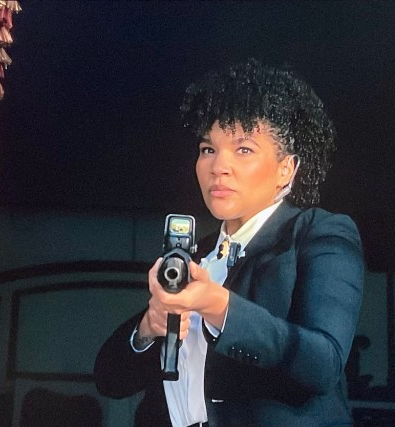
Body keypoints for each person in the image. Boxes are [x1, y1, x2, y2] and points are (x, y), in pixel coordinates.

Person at [94, 59, 365, 427]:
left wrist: (218, 306)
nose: (218, 166)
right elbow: (109, 379)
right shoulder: (196, 257)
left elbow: (322, 363)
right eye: (208, 149)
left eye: (244, 150)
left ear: (286, 169)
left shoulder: (319, 234)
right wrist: (148, 327)